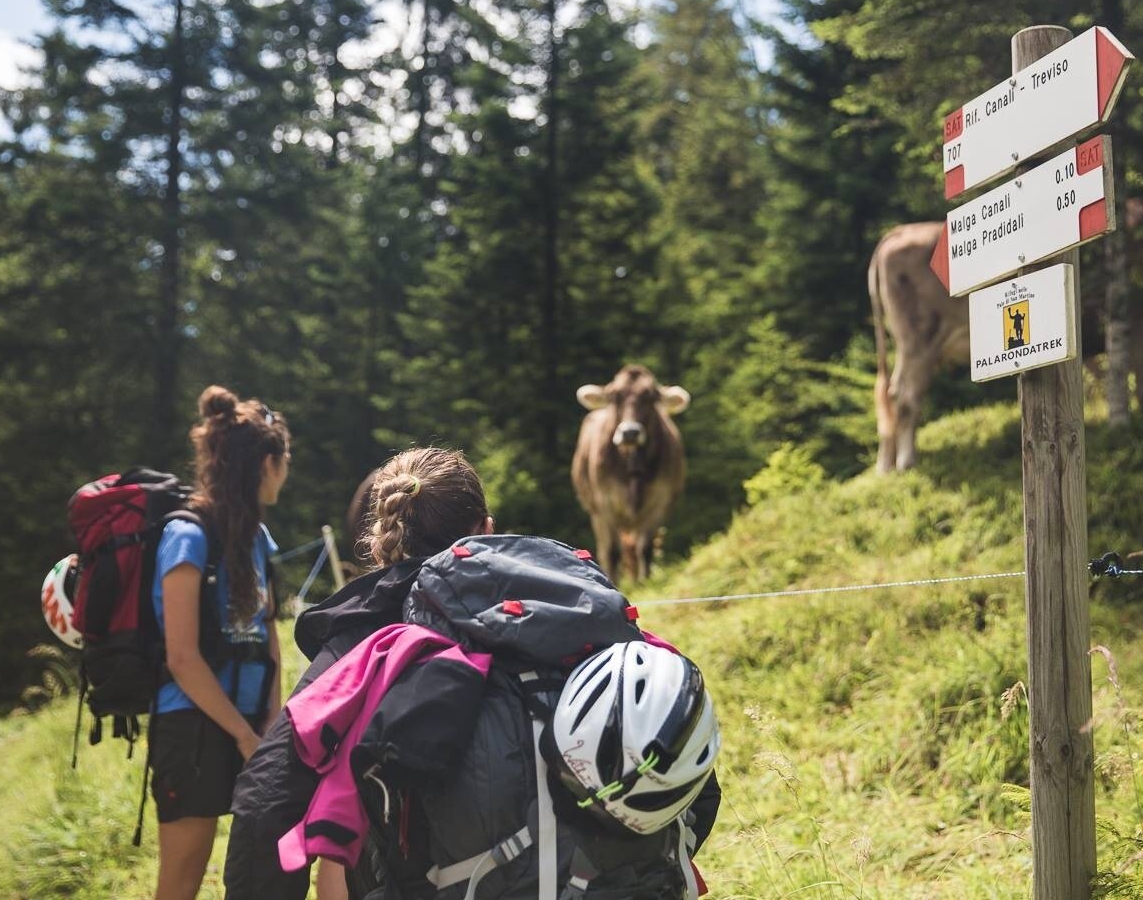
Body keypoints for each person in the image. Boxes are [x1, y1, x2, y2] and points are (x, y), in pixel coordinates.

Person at [224, 446, 721, 899]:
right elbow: (693, 771)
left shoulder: (364, 642)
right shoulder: (581, 611)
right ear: (487, 529)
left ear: (379, 544)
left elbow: (267, 802)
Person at [151, 385, 290, 900]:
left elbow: (268, 631)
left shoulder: (257, 538)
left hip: (250, 726)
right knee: (182, 882)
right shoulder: (187, 537)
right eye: (284, 461)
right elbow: (182, 658)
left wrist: (270, 722)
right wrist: (245, 737)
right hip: (194, 729)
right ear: (267, 464)